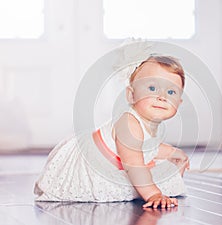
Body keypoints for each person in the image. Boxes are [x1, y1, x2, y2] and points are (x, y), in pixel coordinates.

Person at [34, 55, 189, 209]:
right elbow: (134, 165)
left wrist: (173, 152)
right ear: (131, 95)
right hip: (93, 165)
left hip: (120, 161)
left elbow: (147, 147)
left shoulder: (151, 124)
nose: (161, 97)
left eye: (171, 92)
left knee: (164, 174)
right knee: (151, 181)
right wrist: (154, 194)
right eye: (152, 88)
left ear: (179, 102)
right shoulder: (129, 124)